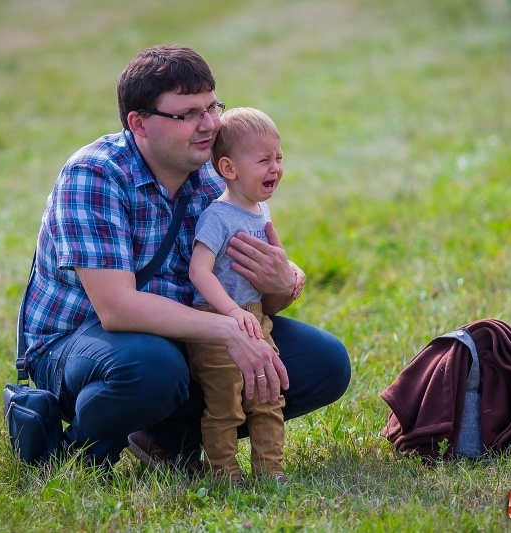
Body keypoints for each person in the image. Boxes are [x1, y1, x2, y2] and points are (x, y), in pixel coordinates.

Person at [21, 44, 351, 469]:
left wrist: (279, 287)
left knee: (324, 363)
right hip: (78, 344)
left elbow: (243, 293)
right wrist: (228, 331)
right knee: (151, 367)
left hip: (186, 338)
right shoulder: (95, 174)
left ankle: (169, 438)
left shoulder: (216, 175)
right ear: (139, 123)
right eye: (187, 114)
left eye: (212, 107)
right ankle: (77, 455)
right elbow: (116, 309)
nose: (210, 125)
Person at [186, 107, 295, 486]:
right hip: (216, 323)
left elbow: (269, 258)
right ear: (229, 169)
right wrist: (231, 312)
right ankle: (224, 475)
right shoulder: (217, 216)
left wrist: (290, 272)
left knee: (268, 396)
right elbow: (198, 271)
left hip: (255, 318)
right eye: (264, 160)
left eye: (278, 158)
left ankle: (270, 470)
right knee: (226, 404)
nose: (275, 168)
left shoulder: (259, 208)